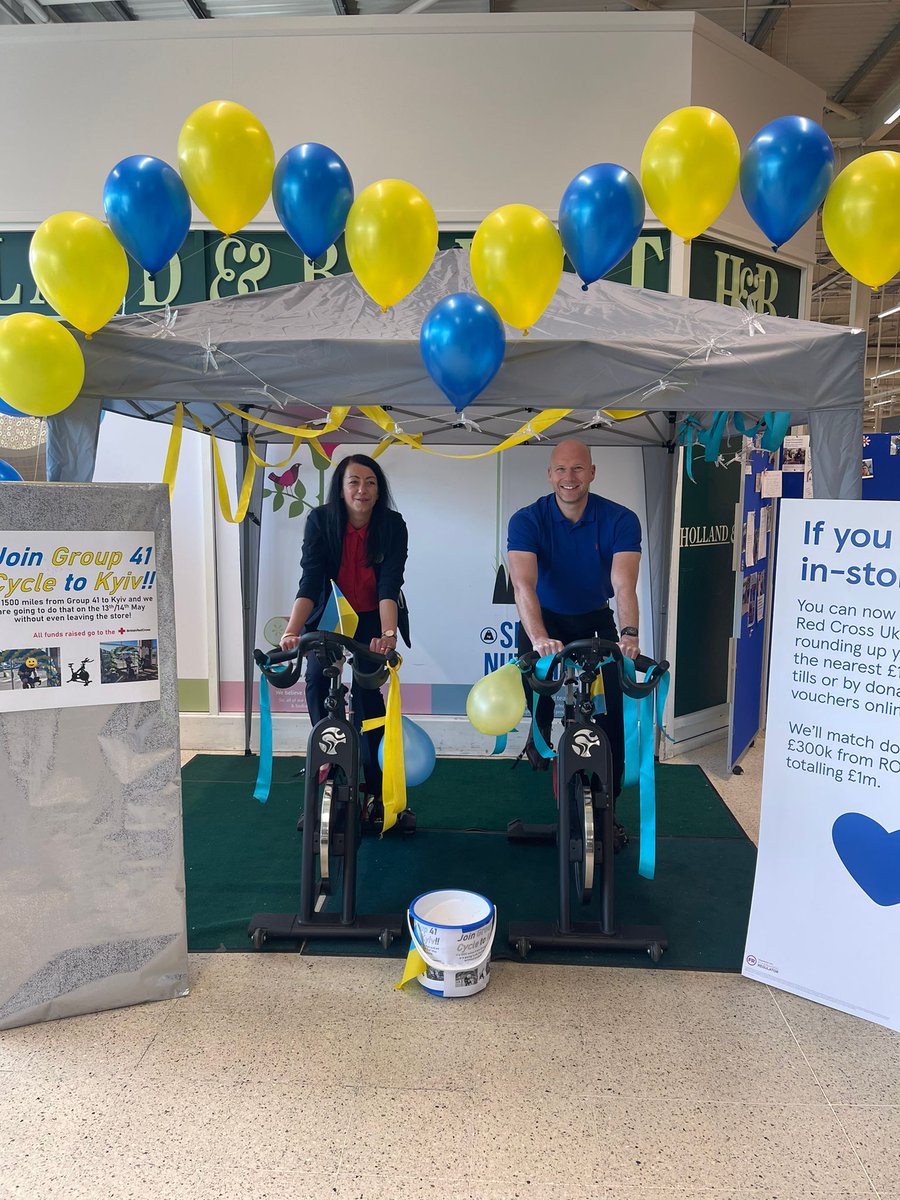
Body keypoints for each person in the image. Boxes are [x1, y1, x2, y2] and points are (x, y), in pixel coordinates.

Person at [507, 438, 642, 839]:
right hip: (544, 620)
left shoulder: (620, 519)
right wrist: (539, 638)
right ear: (550, 475)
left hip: (594, 617)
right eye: (561, 470)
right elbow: (523, 587)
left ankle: (608, 806)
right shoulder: (527, 519)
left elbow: (624, 586)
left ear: (592, 472)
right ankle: (540, 733)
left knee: (611, 709)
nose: (570, 478)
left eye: (578, 469)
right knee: (537, 683)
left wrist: (630, 636)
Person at [280, 454, 409, 814]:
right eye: (353, 481)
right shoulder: (320, 521)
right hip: (329, 614)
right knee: (318, 680)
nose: (362, 489)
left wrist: (387, 633)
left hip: (372, 616)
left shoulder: (393, 525)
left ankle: (378, 787)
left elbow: (389, 584)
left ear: (378, 489)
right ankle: (328, 756)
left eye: (370, 482)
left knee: (369, 697)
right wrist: (292, 631)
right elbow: (311, 580)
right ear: (340, 488)